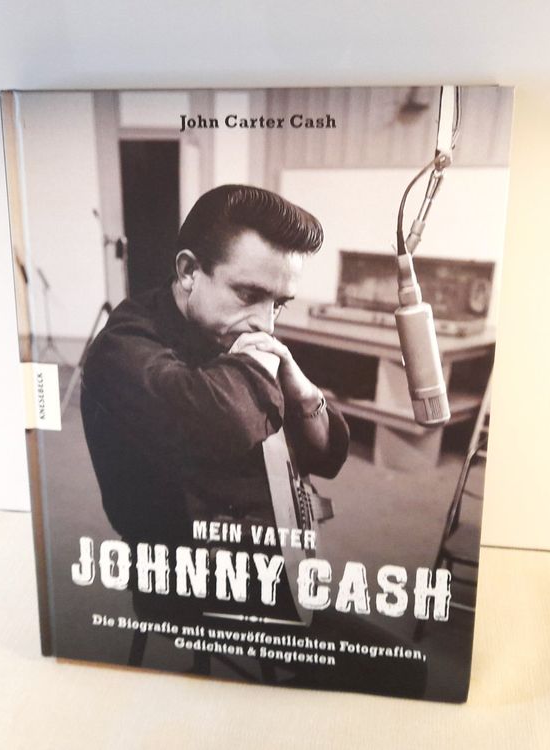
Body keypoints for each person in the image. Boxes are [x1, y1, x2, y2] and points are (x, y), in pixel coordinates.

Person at [81, 184, 425, 697]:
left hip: (266, 555)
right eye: (248, 295)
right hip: (183, 579)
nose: (265, 323)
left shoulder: (233, 335)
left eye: (278, 304)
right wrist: (265, 367)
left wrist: (304, 393)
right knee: (402, 671)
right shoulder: (123, 350)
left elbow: (325, 456)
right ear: (188, 272)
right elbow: (220, 419)